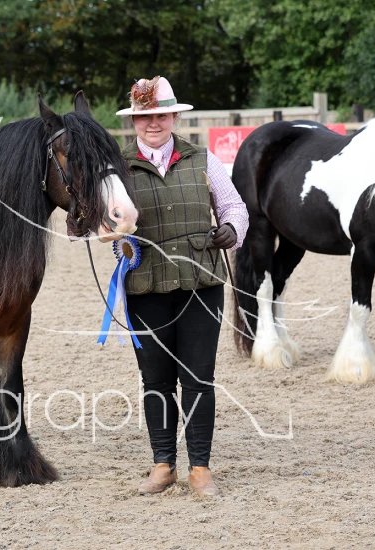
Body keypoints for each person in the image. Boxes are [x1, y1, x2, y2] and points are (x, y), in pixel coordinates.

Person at [115, 76, 249, 497]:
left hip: (200, 284)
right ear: (134, 121)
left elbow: (234, 205)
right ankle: (163, 465)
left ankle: (200, 468)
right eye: (144, 117)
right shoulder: (117, 168)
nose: (152, 123)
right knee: (154, 379)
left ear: (174, 117)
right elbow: (102, 219)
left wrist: (232, 228)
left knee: (198, 377)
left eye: (161, 115)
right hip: (145, 286)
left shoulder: (205, 160)